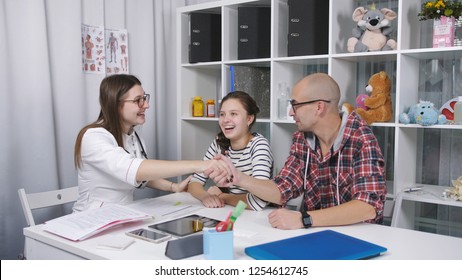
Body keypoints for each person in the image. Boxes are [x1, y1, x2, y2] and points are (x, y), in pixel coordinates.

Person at [208, 73, 387, 229]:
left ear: (319, 107)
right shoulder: (302, 139)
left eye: (295, 105)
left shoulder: (361, 137)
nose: (291, 112)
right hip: (315, 232)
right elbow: (282, 190)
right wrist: (239, 178)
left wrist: (304, 219)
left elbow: (367, 207)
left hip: (358, 235)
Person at [73, 74, 231, 212]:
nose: (146, 105)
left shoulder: (133, 136)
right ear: (115, 104)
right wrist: (202, 165)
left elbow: (142, 176)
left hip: (122, 214)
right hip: (92, 218)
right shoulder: (94, 137)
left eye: (144, 98)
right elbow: (136, 170)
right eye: (138, 101)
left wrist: (173, 187)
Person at [187, 91, 274, 210]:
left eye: (233, 114)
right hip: (229, 211)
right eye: (222, 114)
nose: (225, 120)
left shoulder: (259, 145)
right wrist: (205, 196)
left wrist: (222, 196)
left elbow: (258, 202)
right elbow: (194, 181)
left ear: (249, 119)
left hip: (253, 217)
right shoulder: (219, 143)